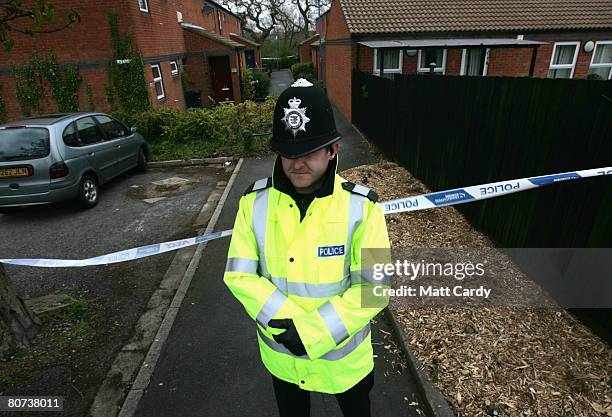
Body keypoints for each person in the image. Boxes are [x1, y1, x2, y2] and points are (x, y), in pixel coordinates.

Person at [223, 78, 390, 417]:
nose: (296, 163)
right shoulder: (253, 203)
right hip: (284, 359)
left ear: (333, 150)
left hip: (345, 366)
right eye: (288, 153)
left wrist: (312, 332)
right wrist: (290, 323)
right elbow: (239, 275)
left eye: (309, 152)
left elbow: (374, 289)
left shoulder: (363, 208)